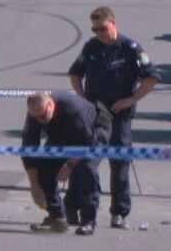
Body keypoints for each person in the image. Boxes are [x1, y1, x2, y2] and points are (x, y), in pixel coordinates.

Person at [68, 5, 158, 228]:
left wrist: (132, 99)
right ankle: (80, 208)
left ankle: (119, 212)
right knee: (88, 163)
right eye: (95, 29)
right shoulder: (90, 47)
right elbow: (74, 73)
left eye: (102, 28)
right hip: (96, 115)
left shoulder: (130, 48)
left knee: (120, 164)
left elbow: (152, 77)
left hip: (120, 115)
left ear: (113, 23)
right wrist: (83, 99)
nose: (99, 33)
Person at [22, 90, 110, 235]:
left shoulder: (72, 109)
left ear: (50, 105)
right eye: (36, 118)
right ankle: (57, 216)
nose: (40, 121)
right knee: (44, 169)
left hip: (94, 130)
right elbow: (29, 150)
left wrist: (68, 166)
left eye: (43, 116)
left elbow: (86, 143)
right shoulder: (35, 114)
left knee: (86, 168)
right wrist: (35, 187)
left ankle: (88, 220)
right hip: (61, 132)